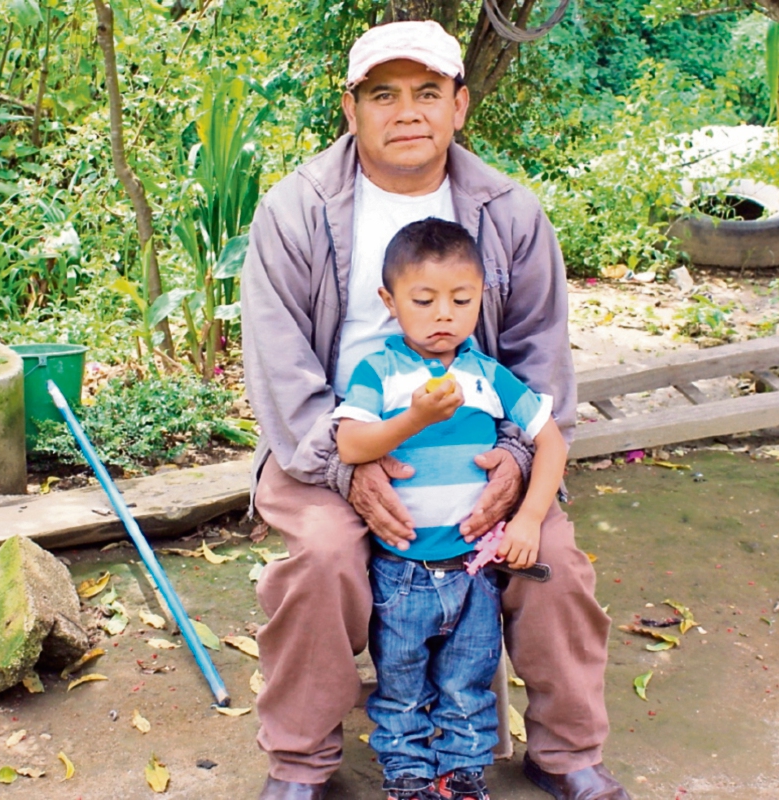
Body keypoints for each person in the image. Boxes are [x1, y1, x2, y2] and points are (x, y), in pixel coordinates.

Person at [241, 19, 629, 800]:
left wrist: (517, 461)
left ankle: (566, 751)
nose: (407, 112)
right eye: (383, 95)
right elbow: (281, 375)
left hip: (476, 447)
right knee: (323, 555)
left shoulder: (510, 213)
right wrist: (349, 469)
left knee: (550, 558)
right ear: (350, 108)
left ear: (460, 104)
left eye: (427, 92)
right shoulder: (296, 211)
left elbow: (541, 363)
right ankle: (301, 761)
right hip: (329, 446)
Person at [333, 218, 568, 800]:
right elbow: (351, 445)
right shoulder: (380, 373)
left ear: (481, 297)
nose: (444, 315)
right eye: (424, 300)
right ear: (389, 302)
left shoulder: (488, 376)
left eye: (461, 300)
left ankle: (463, 775)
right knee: (401, 684)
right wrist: (415, 418)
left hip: (473, 571)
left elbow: (552, 442)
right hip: (401, 573)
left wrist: (529, 518)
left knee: (468, 682)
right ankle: (407, 775)